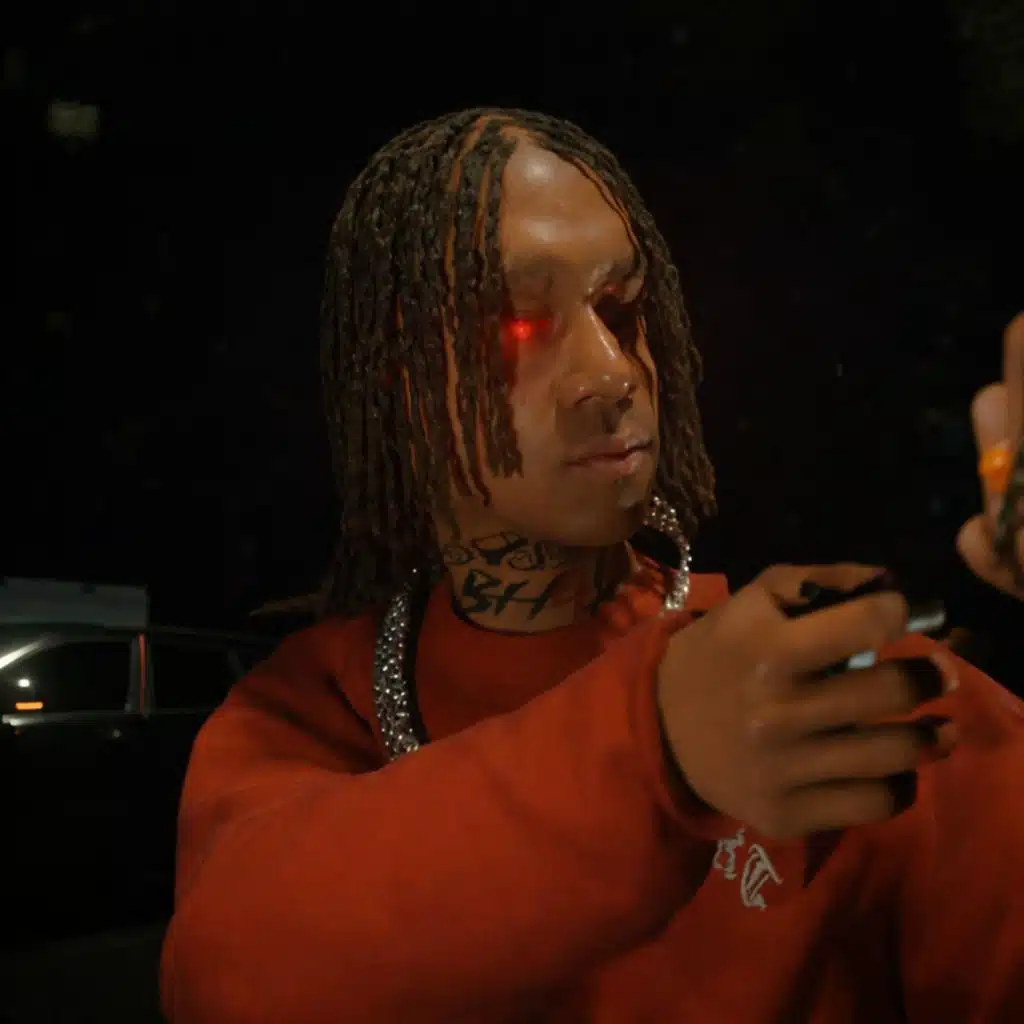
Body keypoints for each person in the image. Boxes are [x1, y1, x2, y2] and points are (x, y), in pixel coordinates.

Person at [160, 108, 1024, 1022]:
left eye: (623, 310)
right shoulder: (309, 711)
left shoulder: (837, 687)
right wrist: (656, 752)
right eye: (518, 323)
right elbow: (229, 977)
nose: (611, 374)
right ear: (396, 382)